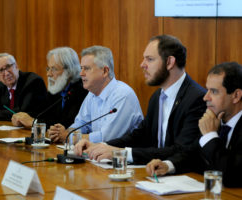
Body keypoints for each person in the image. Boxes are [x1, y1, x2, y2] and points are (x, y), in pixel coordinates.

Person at [74, 35, 206, 166]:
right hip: (154, 173)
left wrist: (122, 153)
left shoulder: (196, 98)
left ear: (170, 62)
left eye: (150, 59)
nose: (142, 64)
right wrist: (102, 146)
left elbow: (181, 151)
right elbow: (140, 135)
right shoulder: (157, 97)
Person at [146, 62, 242, 188]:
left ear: (236, 96)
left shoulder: (211, 125)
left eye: (213, 91)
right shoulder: (214, 119)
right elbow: (192, 155)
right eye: (207, 90)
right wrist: (168, 165)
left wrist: (210, 136)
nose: (205, 97)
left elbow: (231, 176)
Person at [48, 45, 143, 143]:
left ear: (105, 71)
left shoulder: (123, 95)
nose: (81, 73)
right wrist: (65, 132)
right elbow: (82, 123)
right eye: (81, 68)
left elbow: (106, 138)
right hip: (100, 154)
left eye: (87, 68)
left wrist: (69, 137)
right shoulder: (92, 94)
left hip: (123, 156)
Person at [11, 47, 88, 128]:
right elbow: (43, 114)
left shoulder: (81, 90)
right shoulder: (57, 89)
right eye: (48, 68)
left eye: (54, 69)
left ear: (69, 71)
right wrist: (22, 118)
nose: (48, 74)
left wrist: (34, 122)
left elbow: (68, 124)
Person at [0, 53, 47, 121]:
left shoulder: (33, 81)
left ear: (16, 66)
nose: (6, 73)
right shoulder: (2, 86)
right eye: (1, 70)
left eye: (8, 66)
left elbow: (22, 112)